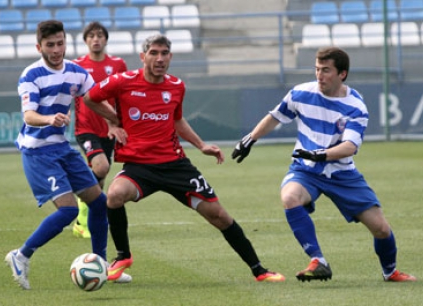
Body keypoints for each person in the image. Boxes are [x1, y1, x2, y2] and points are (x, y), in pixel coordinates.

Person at [82, 34, 285, 283]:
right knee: (114, 195)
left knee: (219, 216)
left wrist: (200, 145)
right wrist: (113, 121)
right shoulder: (123, 81)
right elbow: (90, 97)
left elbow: (177, 120)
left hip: (175, 166)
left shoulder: (176, 86)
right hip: (139, 167)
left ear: (170, 57)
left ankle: (260, 271)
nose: (160, 58)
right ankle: (123, 256)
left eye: (164, 53)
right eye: (154, 53)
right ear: (143, 56)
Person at [231, 46, 416, 283]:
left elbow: (349, 147)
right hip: (305, 170)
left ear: (342, 74)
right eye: (317, 69)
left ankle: (390, 272)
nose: (320, 75)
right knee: (289, 197)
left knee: (380, 229)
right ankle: (318, 260)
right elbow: (275, 116)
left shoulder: (355, 105)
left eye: (326, 70)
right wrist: (249, 139)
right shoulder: (300, 93)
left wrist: (320, 154)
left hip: (342, 173)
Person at [5, 20, 129, 290]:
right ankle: (21, 255)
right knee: (70, 210)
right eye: (50, 45)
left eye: (60, 43)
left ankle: (101, 265)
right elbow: (29, 115)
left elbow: (95, 99)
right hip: (37, 152)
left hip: (61, 147)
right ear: (39, 46)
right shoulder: (31, 76)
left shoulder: (77, 72)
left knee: (99, 203)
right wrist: (50, 119)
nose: (56, 49)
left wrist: (116, 122)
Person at [72, 22, 128, 239]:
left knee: (101, 180)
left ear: (106, 39)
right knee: (102, 167)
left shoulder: (117, 64)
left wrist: (120, 123)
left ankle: (82, 222)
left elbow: (122, 95)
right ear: (85, 40)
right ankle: (82, 200)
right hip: (85, 128)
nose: (96, 39)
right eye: (91, 36)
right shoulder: (77, 65)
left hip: (109, 129)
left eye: (100, 35)